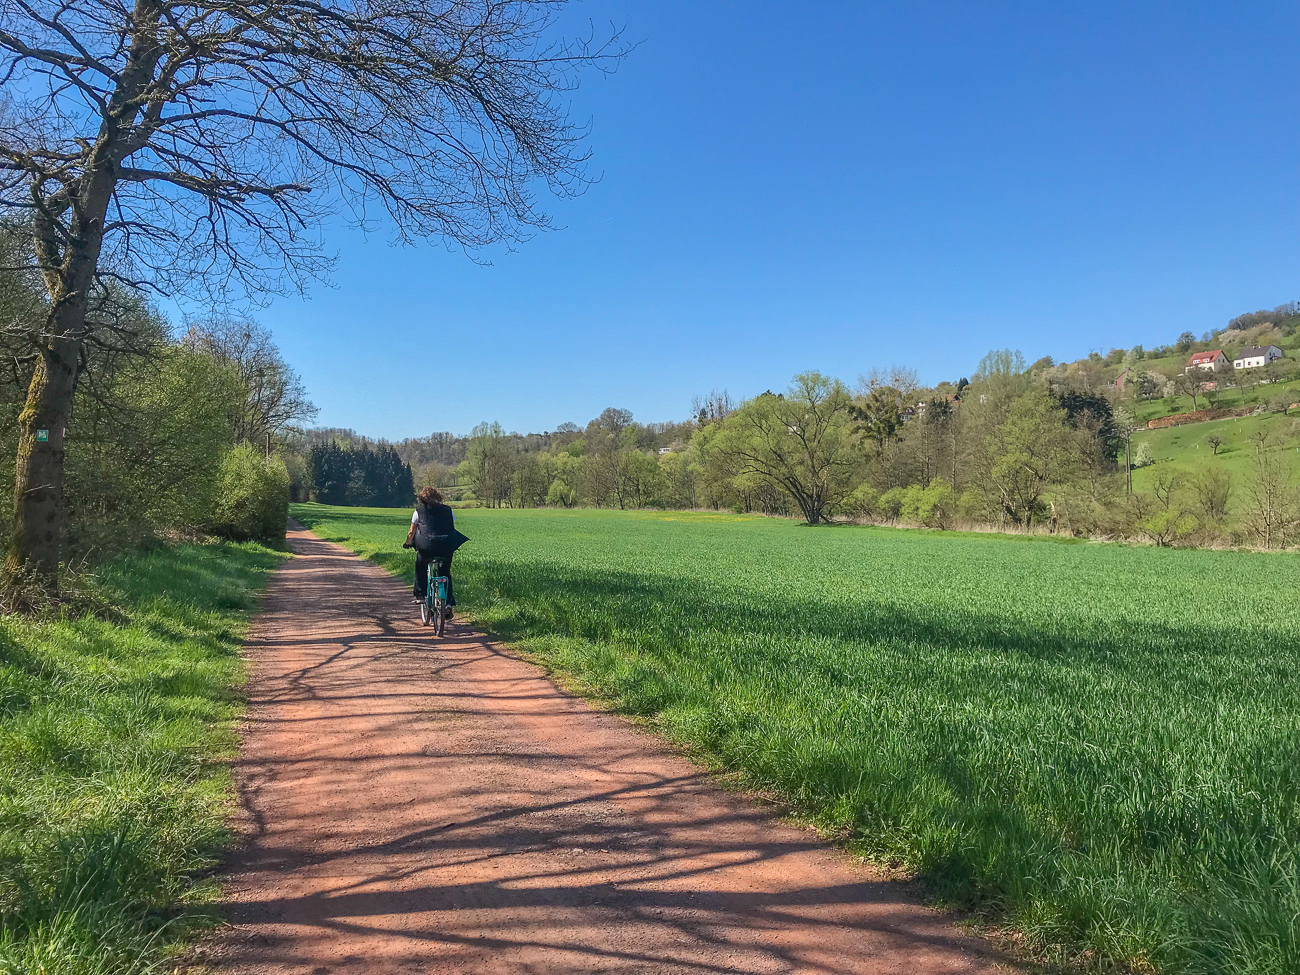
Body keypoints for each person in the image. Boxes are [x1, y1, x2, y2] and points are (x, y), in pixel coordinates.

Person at [404, 486, 459, 618]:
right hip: (446, 545)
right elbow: (451, 527)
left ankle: (420, 595)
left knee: (420, 565)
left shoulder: (418, 511)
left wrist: (407, 543)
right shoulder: (448, 510)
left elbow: (412, 531)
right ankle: (448, 603)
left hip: (426, 546)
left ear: (422, 499)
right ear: (438, 497)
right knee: (445, 573)